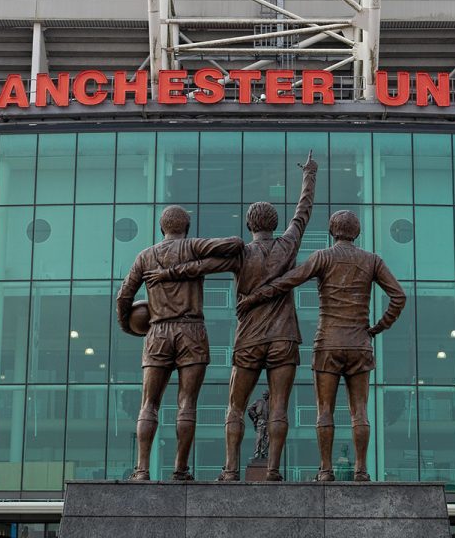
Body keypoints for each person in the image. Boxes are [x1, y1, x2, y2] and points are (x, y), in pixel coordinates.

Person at [143, 152, 317, 481]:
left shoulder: (241, 254)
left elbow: (201, 267)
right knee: (279, 406)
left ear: (249, 225)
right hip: (284, 337)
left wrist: (167, 273)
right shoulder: (288, 244)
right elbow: (303, 211)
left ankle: (231, 470)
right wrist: (310, 175)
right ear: (274, 224)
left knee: (236, 407)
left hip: (249, 338)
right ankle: (273, 471)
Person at [237, 210, 406, 482]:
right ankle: (361, 470)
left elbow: (287, 281)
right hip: (359, 343)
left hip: (328, 343)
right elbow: (399, 296)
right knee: (360, 411)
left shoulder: (322, 257)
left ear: (331, 232)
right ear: (357, 232)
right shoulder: (372, 260)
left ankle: (326, 470)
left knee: (324, 410)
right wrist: (378, 326)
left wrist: (254, 297)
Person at [116, 205, 244, 481]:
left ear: (162, 228)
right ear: (186, 228)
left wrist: (128, 326)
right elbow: (235, 244)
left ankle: (142, 469)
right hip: (191, 330)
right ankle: (180, 469)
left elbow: (124, 296)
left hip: (157, 332)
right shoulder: (194, 247)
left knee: (149, 404)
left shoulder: (145, 256)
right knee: (187, 403)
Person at [247, 390, 270, 460]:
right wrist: (255, 416)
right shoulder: (258, 401)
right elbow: (249, 408)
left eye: (266, 394)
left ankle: (264, 453)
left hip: (268, 422)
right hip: (260, 421)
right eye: (264, 394)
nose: (265, 396)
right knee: (259, 438)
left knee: (267, 439)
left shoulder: (271, 403)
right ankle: (256, 453)